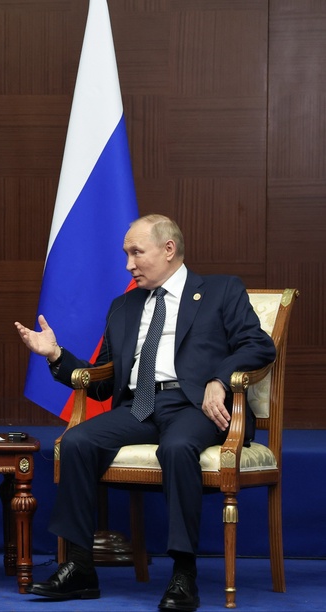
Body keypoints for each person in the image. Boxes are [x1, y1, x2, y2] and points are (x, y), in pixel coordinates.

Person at [14, 214, 275, 612]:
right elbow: (101, 382)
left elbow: (258, 345)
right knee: (77, 441)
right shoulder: (124, 305)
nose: (128, 265)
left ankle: (183, 574)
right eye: (126, 254)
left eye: (136, 253)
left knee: (177, 447)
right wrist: (55, 355)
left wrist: (219, 381)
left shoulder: (221, 290)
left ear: (169, 249)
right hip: (140, 406)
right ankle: (80, 568)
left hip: (195, 406)